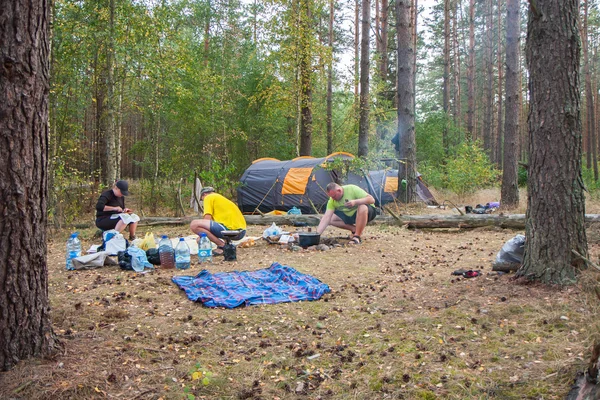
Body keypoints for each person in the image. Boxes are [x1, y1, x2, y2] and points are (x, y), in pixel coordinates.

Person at [190, 187, 247, 255]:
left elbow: (207, 219)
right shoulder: (221, 199)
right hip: (241, 231)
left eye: (202, 199)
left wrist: (203, 236)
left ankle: (222, 246)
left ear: (204, 194)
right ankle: (226, 245)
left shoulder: (208, 197)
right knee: (209, 229)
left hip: (231, 230)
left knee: (194, 224)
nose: (203, 201)